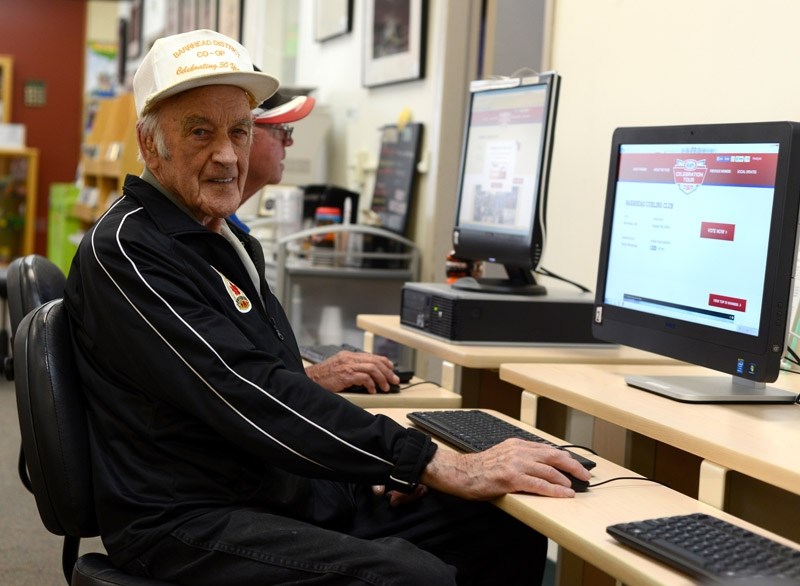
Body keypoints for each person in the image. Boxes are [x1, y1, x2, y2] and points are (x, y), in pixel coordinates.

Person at [64, 29, 590, 585]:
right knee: (410, 578)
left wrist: (372, 467)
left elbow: (273, 383)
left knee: (504, 525)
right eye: (200, 132)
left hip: (268, 486)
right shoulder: (130, 251)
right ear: (151, 145)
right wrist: (430, 461)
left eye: (239, 131)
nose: (226, 155)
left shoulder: (214, 238)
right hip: (183, 519)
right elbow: (255, 395)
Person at [231, 82, 398, 395]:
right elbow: (234, 388)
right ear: (243, 135)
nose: (289, 142)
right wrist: (315, 379)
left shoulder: (231, 235)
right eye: (282, 129)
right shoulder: (201, 242)